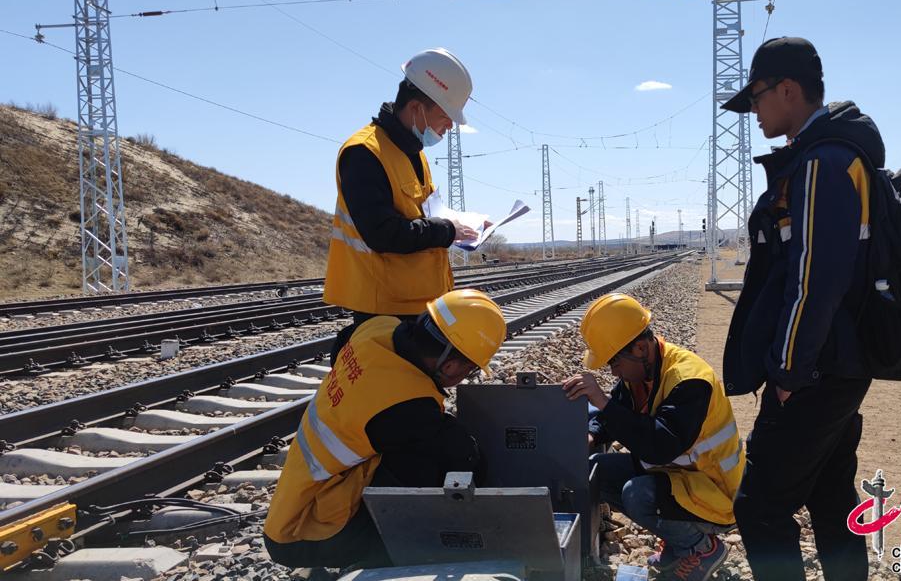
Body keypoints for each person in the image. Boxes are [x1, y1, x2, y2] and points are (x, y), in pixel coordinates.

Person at [720, 37, 884, 580]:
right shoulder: (833, 158)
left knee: (759, 504)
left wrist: (789, 369)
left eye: (759, 97)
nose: (755, 111)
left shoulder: (820, 165)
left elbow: (815, 281)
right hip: (837, 361)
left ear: (788, 91)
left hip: (815, 368)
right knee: (830, 494)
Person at [263, 289, 506, 570]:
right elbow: (462, 454)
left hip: (299, 496)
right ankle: (373, 566)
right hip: (305, 528)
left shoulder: (377, 327)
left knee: (415, 452)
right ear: (450, 366)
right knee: (425, 474)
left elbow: (341, 344)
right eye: (471, 370)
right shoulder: (406, 407)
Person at [564, 293, 744, 580]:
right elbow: (617, 412)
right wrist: (592, 434)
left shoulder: (690, 381)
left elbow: (659, 447)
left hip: (715, 490)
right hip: (680, 476)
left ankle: (702, 547)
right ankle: (678, 544)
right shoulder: (640, 373)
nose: (613, 371)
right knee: (597, 469)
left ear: (639, 347)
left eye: (614, 362)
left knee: (636, 495)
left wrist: (602, 402)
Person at [323, 48, 479, 332]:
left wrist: (467, 225)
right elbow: (382, 232)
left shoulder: (412, 152)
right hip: (383, 310)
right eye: (446, 115)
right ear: (417, 107)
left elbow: (423, 212)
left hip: (418, 304)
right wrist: (446, 230)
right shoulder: (364, 152)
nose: (450, 126)